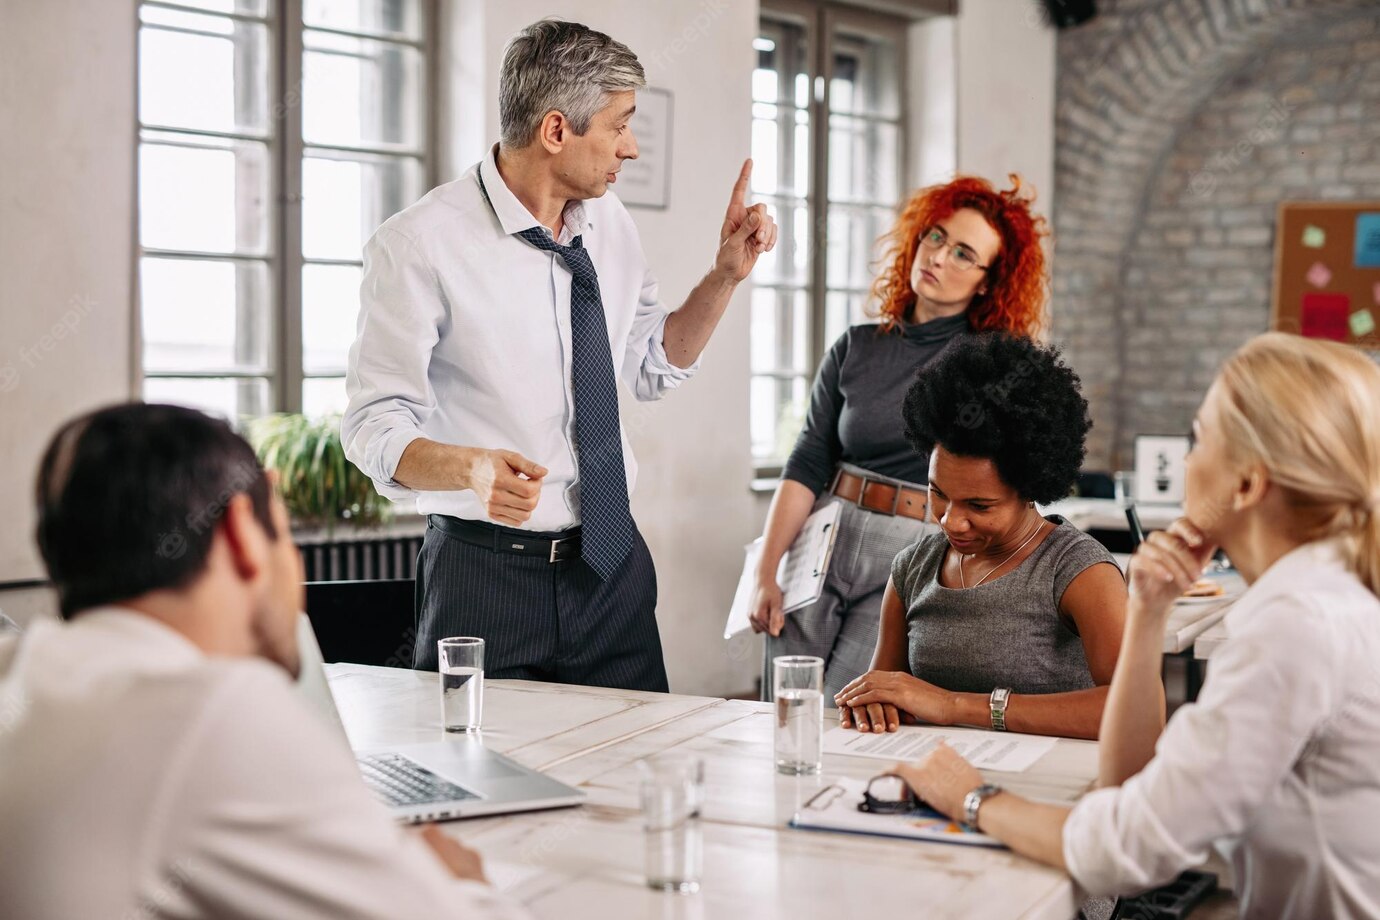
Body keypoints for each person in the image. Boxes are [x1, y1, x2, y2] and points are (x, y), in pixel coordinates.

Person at [342, 19, 776, 690]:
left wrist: (724, 277)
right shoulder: (419, 245)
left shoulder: (610, 223)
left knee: (633, 779)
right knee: (484, 784)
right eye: (620, 124)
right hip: (483, 579)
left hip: (610, 570)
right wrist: (471, 468)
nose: (631, 148)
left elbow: (651, 362)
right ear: (555, 131)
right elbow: (373, 424)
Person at [889, 333, 1380, 918]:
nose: (1187, 461)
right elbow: (1130, 789)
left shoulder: (1296, 629)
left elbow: (1130, 850)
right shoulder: (1315, 598)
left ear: (1246, 485)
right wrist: (1147, 614)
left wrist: (971, 797)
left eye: (1200, 439)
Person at [0, 404, 528, 920]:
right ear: (241, 531)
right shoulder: (215, 714)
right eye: (283, 529)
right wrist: (463, 884)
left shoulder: (17, 673)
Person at [749, 174, 1049, 700]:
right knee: (785, 706)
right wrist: (765, 570)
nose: (938, 257)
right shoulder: (857, 346)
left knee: (850, 711)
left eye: (963, 254)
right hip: (821, 536)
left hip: (911, 547)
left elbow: (1009, 486)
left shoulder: (991, 366)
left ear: (986, 281)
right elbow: (807, 461)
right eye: (936, 237)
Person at [834, 333, 1130, 740]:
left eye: (979, 506)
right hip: (932, 776)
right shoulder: (913, 568)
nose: (951, 522)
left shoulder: (1078, 571)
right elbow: (884, 690)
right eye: (938, 493)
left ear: (1030, 490)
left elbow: (1132, 708)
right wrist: (872, 702)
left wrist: (952, 704)